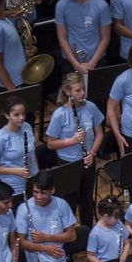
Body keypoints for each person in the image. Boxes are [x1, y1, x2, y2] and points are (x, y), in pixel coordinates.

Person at [45, 73, 105, 225]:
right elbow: (50, 143)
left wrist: (92, 152)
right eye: (78, 90)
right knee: (69, 200)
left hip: (87, 161)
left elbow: (99, 134)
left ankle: (87, 230)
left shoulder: (90, 107)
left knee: (86, 199)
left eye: (83, 88)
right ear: (67, 91)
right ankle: (69, 232)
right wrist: (71, 141)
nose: (82, 93)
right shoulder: (59, 114)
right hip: (68, 163)